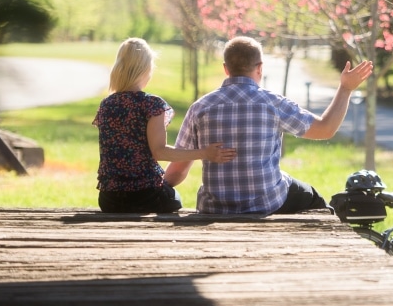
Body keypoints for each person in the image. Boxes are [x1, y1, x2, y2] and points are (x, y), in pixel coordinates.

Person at [164, 36, 374, 215]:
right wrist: (345, 88)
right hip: (266, 203)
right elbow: (326, 129)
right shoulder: (273, 103)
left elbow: (177, 171)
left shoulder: (200, 107)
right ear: (260, 68)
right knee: (315, 201)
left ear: (226, 69)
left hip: (215, 206)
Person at [94, 38, 236, 213]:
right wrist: (204, 153)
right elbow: (160, 152)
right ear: (146, 68)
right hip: (146, 196)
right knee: (175, 199)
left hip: (109, 199)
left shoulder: (106, 105)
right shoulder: (151, 104)